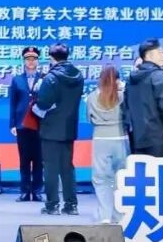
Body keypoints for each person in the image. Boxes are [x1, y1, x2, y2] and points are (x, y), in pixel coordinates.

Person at [34, 42, 84, 216]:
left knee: (50, 168)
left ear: (51, 57)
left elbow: (43, 103)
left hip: (51, 127)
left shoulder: (51, 78)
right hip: (69, 126)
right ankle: (71, 205)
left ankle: (52, 205)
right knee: (67, 168)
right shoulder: (78, 76)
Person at [87, 65, 129, 224]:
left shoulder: (92, 97)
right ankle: (119, 215)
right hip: (121, 138)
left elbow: (90, 118)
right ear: (118, 80)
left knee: (101, 178)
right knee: (121, 178)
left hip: (100, 139)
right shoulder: (123, 96)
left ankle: (105, 215)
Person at [124, 39, 163, 157]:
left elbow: (126, 107)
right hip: (159, 137)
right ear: (148, 55)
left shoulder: (131, 79)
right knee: (160, 168)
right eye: (159, 53)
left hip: (137, 137)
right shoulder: (158, 75)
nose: (162, 56)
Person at [9, 46, 44, 202]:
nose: (31, 61)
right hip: (22, 125)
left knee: (38, 159)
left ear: (38, 61)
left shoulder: (44, 78)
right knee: (24, 159)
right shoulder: (17, 79)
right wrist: (12, 124)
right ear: (23, 61)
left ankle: (37, 191)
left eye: (34, 58)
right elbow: (13, 103)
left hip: (39, 124)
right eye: (28, 59)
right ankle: (24, 191)